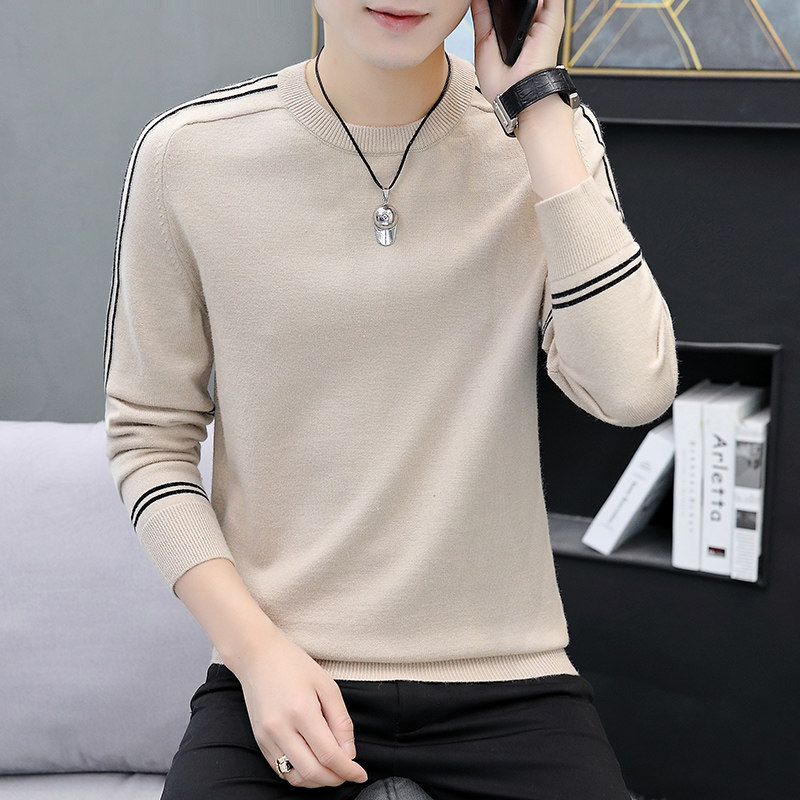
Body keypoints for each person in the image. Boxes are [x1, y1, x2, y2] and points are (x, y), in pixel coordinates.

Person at [103, 1, 677, 798]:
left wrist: (538, 111)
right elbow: (149, 441)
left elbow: (633, 389)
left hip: (508, 677)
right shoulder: (189, 155)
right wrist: (254, 653)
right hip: (284, 671)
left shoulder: (548, 134)